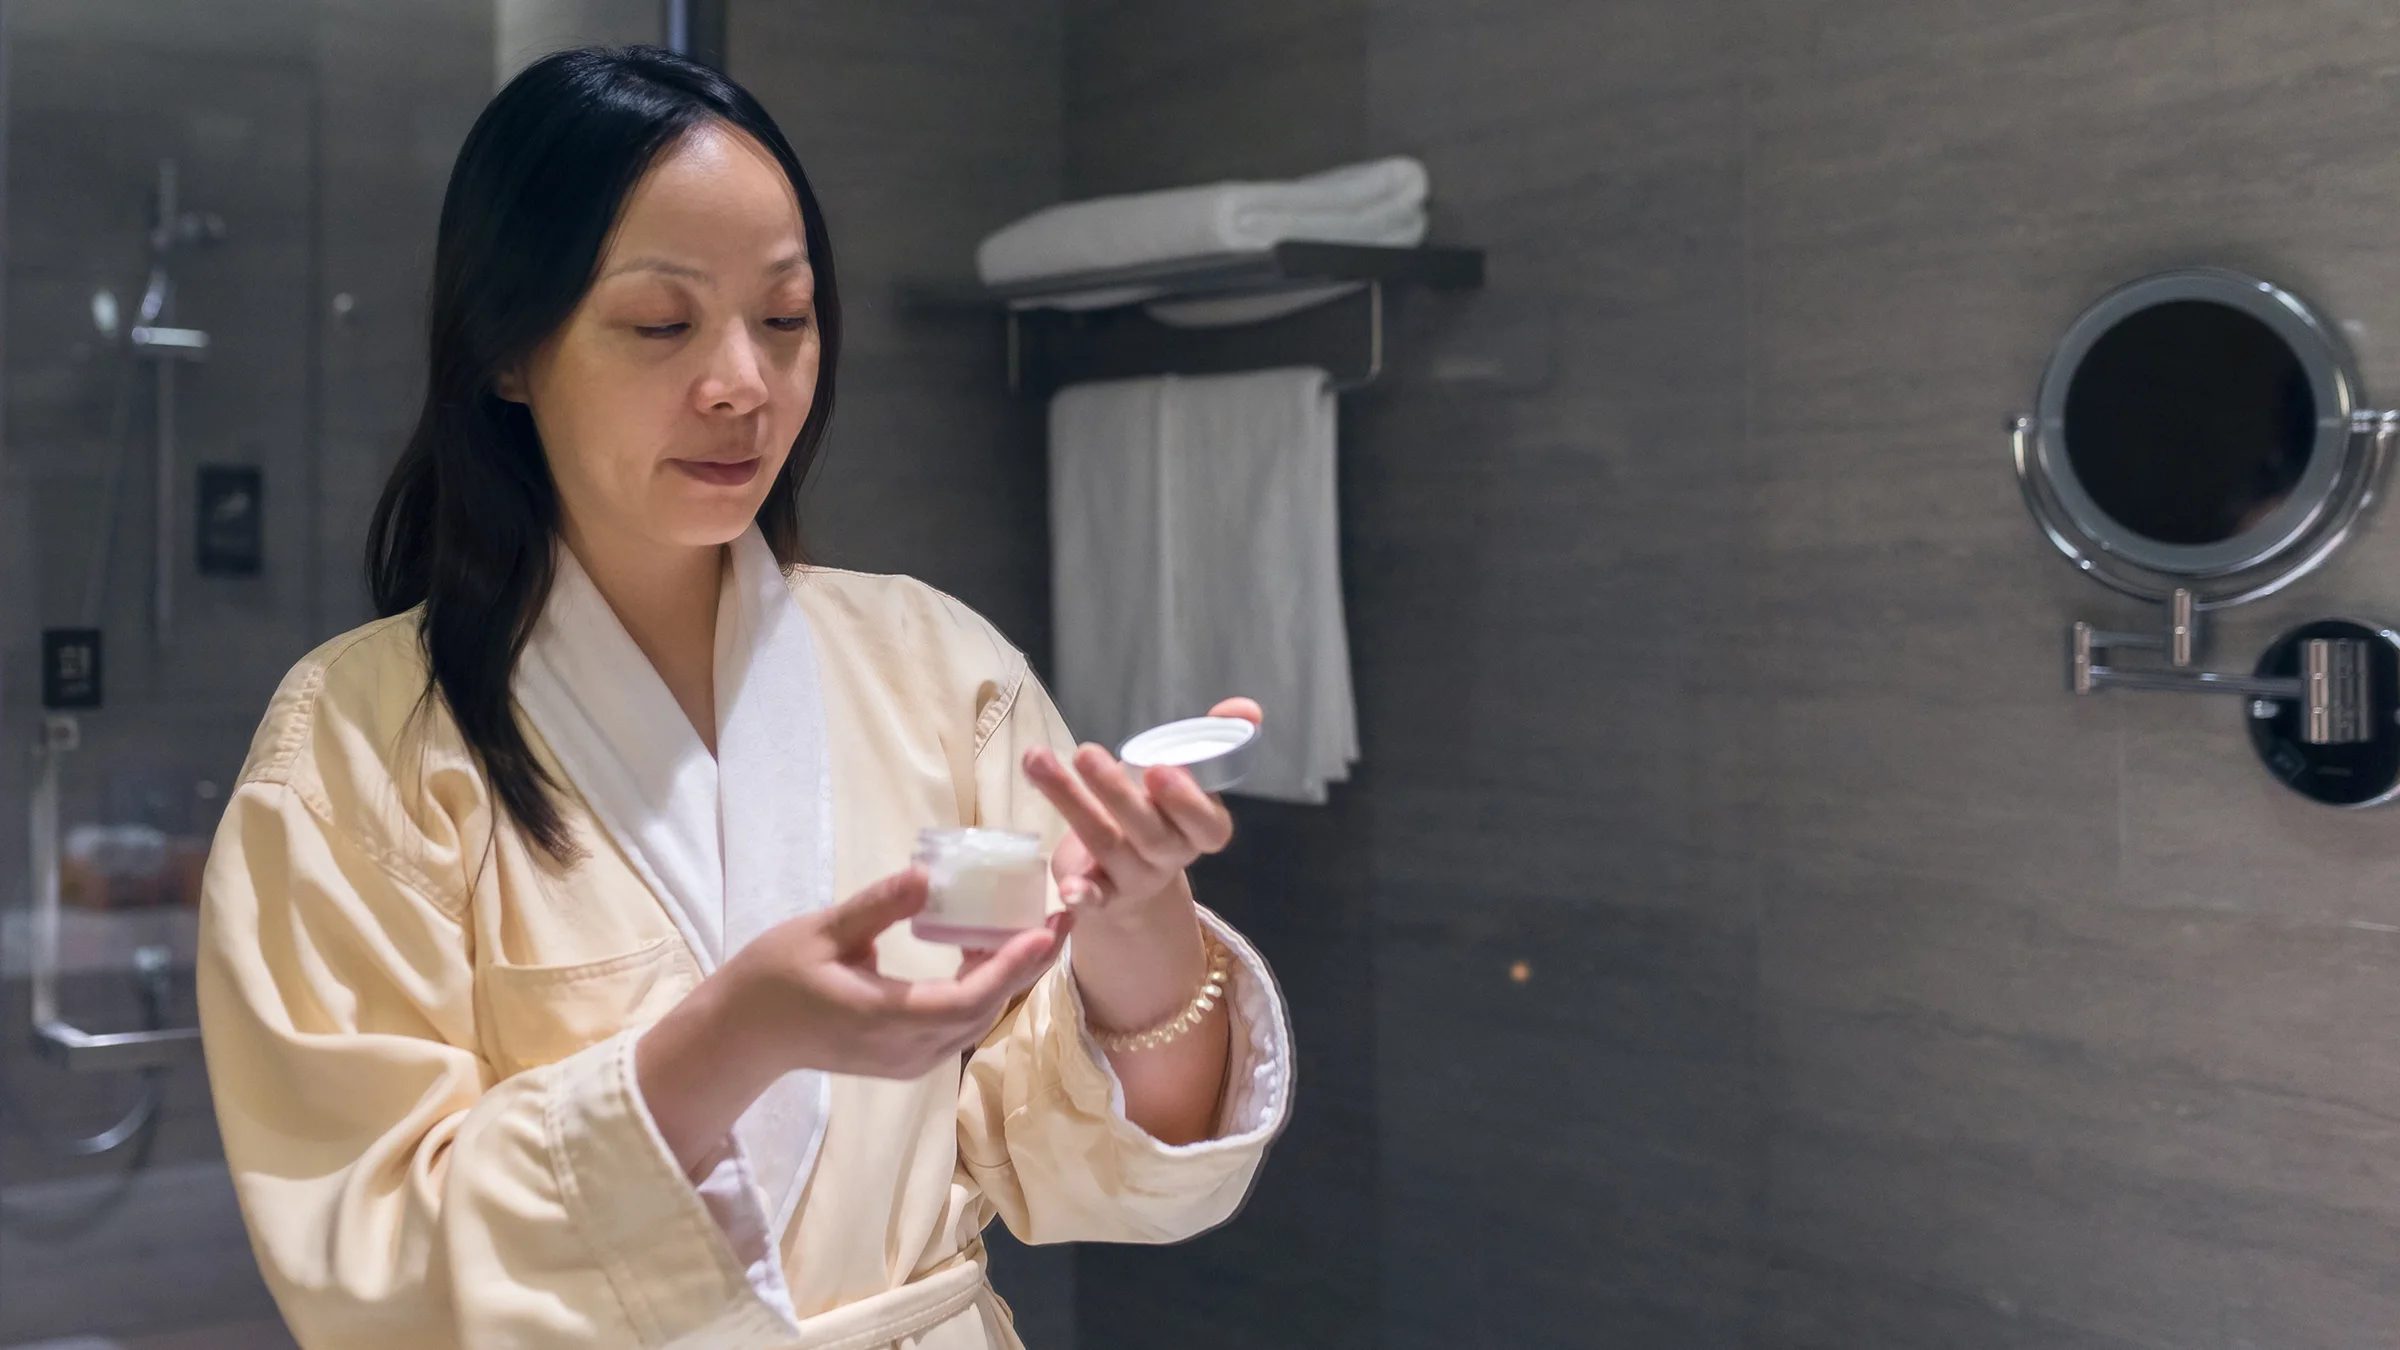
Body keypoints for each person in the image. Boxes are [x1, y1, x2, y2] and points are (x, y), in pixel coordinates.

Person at [195, 46, 1290, 1350]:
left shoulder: (939, 669)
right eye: (663, 324)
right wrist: (726, 1038)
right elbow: (368, 1259)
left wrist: (1140, 922)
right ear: (506, 350)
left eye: (784, 318)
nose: (744, 384)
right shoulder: (357, 744)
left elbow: (1091, 1163)